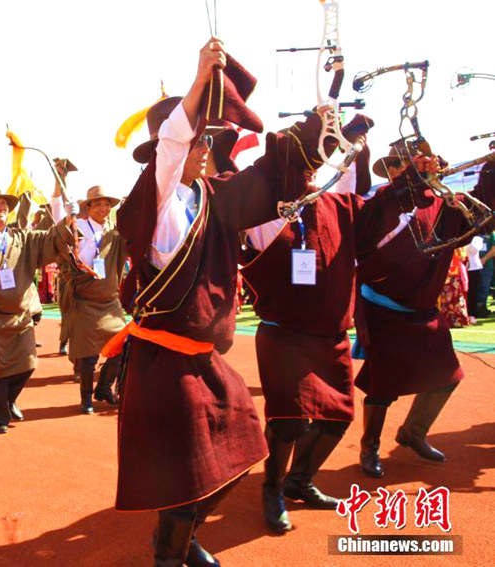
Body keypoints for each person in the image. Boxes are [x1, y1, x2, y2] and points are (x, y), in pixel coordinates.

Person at [105, 37, 377, 565]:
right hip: (165, 360)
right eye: (197, 140)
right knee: (187, 469)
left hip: (205, 358)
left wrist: (323, 134)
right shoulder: (152, 204)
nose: (206, 147)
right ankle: (171, 551)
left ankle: (178, 537)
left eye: (207, 139)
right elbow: (169, 149)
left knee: (240, 453)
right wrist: (200, 81)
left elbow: (268, 179)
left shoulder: (213, 197)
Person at [240, 141, 433, 533]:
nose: (309, 174)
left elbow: (380, 211)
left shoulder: (339, 205)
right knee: (289, 420)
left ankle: (301, 479)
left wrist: (413, 178)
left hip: (331, 337)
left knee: (336, 418)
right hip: (285, 336)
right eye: (299, 167)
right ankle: (272, 488)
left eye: (311, 167)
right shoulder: (261, 213)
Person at [356, 150, 495, 477]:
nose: (405, 170)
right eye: (399, 165)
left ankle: (413, 431)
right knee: (382, 384)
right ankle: (370, 445)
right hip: (380, 306)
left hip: (421, 308)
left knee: (447, 375)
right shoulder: (380, 201)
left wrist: (491, 168)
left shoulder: (447, 204)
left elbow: (483, 212)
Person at [0, 185, 75, 434]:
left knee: (28, 364)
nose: (2, 207)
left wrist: (64, 213)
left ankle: (9, 401)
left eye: (5, 204)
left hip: (20, 316)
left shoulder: (21, 238)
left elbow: (53, 237)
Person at [51, 183, 127, 414]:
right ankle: (86, 398)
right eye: (99, 204)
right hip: (84, 299)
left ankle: (104, 387)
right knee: (88, 355)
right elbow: (58, 226)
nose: (103, 208)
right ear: (89, 206)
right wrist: (63, 209)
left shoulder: (114, 231)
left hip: (109, 301)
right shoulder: (78, 226)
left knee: (122, 346)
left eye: (107, 204)